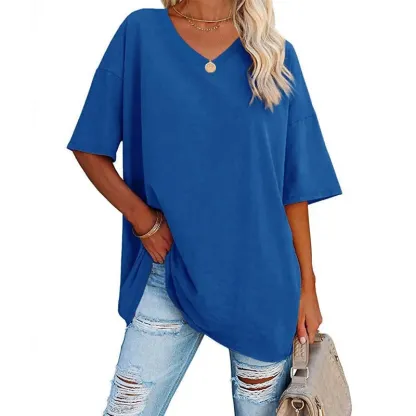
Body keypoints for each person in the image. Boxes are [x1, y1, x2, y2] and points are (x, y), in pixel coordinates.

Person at [67, 0, 342, 414]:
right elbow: (90, 145)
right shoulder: (141, 33)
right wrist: (143, 220)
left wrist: (308, 286)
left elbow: (293, 187)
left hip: (263, 284)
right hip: (169, 272)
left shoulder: (273, 54)